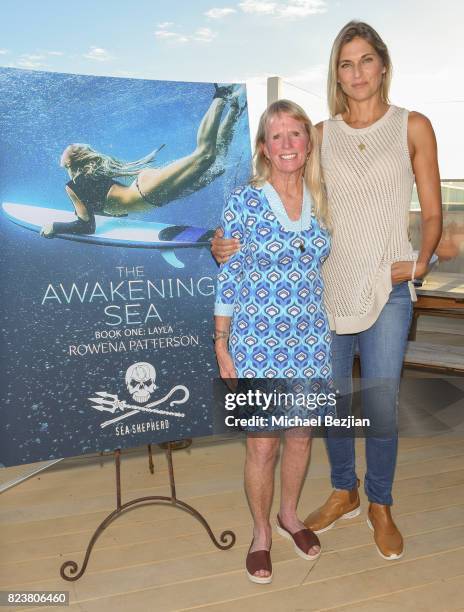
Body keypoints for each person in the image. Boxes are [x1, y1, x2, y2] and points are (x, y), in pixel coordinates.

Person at [212, 21, 442, 561]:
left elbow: (431, 212)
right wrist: (225, 245)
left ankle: (381, 503)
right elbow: (283, 188)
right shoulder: (319, 133)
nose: (357, 72)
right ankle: (344, 491)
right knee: (333, 406)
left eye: (365, 60)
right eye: (346, 63)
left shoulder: (414, 126)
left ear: (383, 64)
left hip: (386, 288)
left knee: (379, 402)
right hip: (325, 293)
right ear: (336, 73)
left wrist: (417, 265)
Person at [214, 100, 333, 584]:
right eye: (276, 136)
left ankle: (290, 515)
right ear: (264, 148)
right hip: (256, 342)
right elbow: (228, 276)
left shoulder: (322, 199)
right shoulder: (244, 201)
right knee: (263, 446)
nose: (287, 144)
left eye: (295, 134)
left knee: (301, 437)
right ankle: (261, 533)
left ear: (308, 143)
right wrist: (221, 343)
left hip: (310, 340)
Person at [40, 84, 244, 238]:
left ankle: (221, 95)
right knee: (217, 165)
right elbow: (105, 208)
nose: (64, 150)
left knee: (205, 156)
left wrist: (55, 228)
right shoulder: (90, 175)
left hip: (148, 193)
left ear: (69, 162)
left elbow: (86, 226)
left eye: (68, 149)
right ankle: (235, 108)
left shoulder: (74, 186)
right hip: (149, 190)